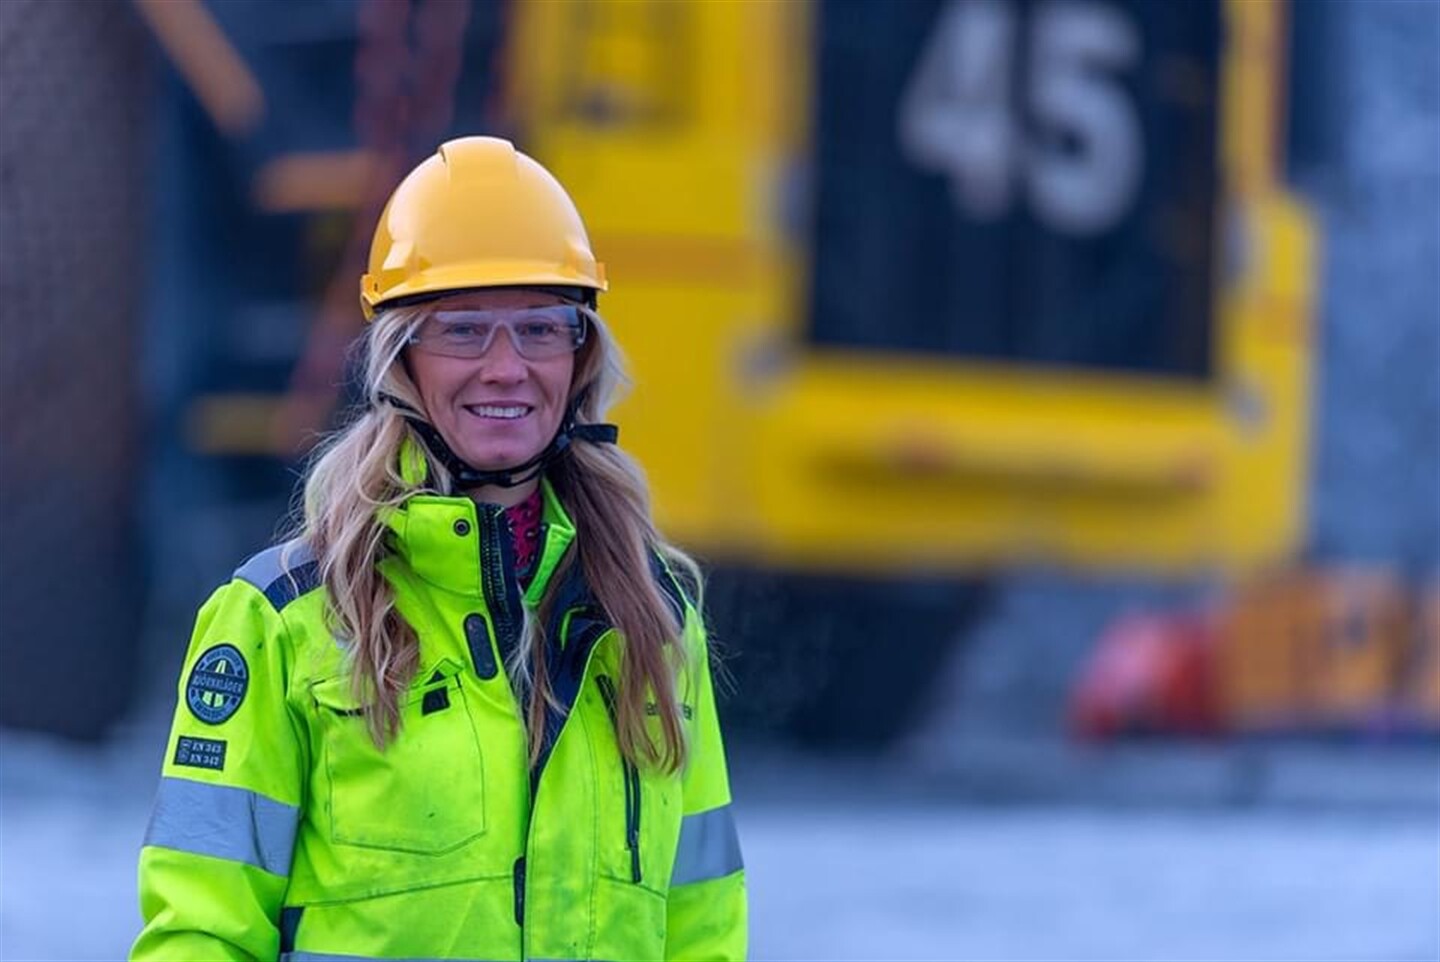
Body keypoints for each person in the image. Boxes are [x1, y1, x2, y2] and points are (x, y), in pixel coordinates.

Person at [131, 136, 747, 961]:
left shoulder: (654, 613)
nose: (507, 367)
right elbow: (200, 932)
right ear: (401, 361)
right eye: (463, 331)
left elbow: (704, 924)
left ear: (580, 355)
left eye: (539, 327)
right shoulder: (282, 620)